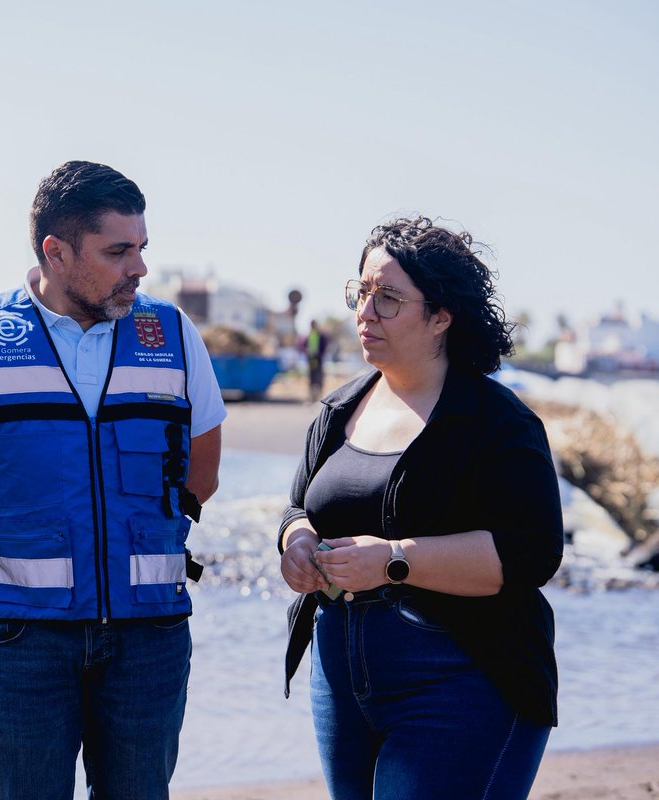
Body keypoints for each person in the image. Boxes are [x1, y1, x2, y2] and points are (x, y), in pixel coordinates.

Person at [0, 160, 226, 800]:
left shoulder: (173, 335)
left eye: (142, 248)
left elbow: (200, 476)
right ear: (57, 251)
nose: (140, 268)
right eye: (119, 250)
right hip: (20, 641)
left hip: (149, 635)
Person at [277, 216, 563, 799]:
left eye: (388, 298)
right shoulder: (338, 409)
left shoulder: (497, 422)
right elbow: (297, 508)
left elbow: (532, 552)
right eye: (361, 293)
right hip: (339, 675)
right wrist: (297, 543)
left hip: (462, 677)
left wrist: (395, 560)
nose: (365, 312)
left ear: (440, 316)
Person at [304, 319, 328, 401]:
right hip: (311, 359)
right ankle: (312, 397)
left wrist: (320, 354)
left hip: (318, 359)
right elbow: (305, 345)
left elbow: (324, 345)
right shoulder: (309, 335)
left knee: (319, 377)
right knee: (311, 378)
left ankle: (320, 396)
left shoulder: (320, 335)